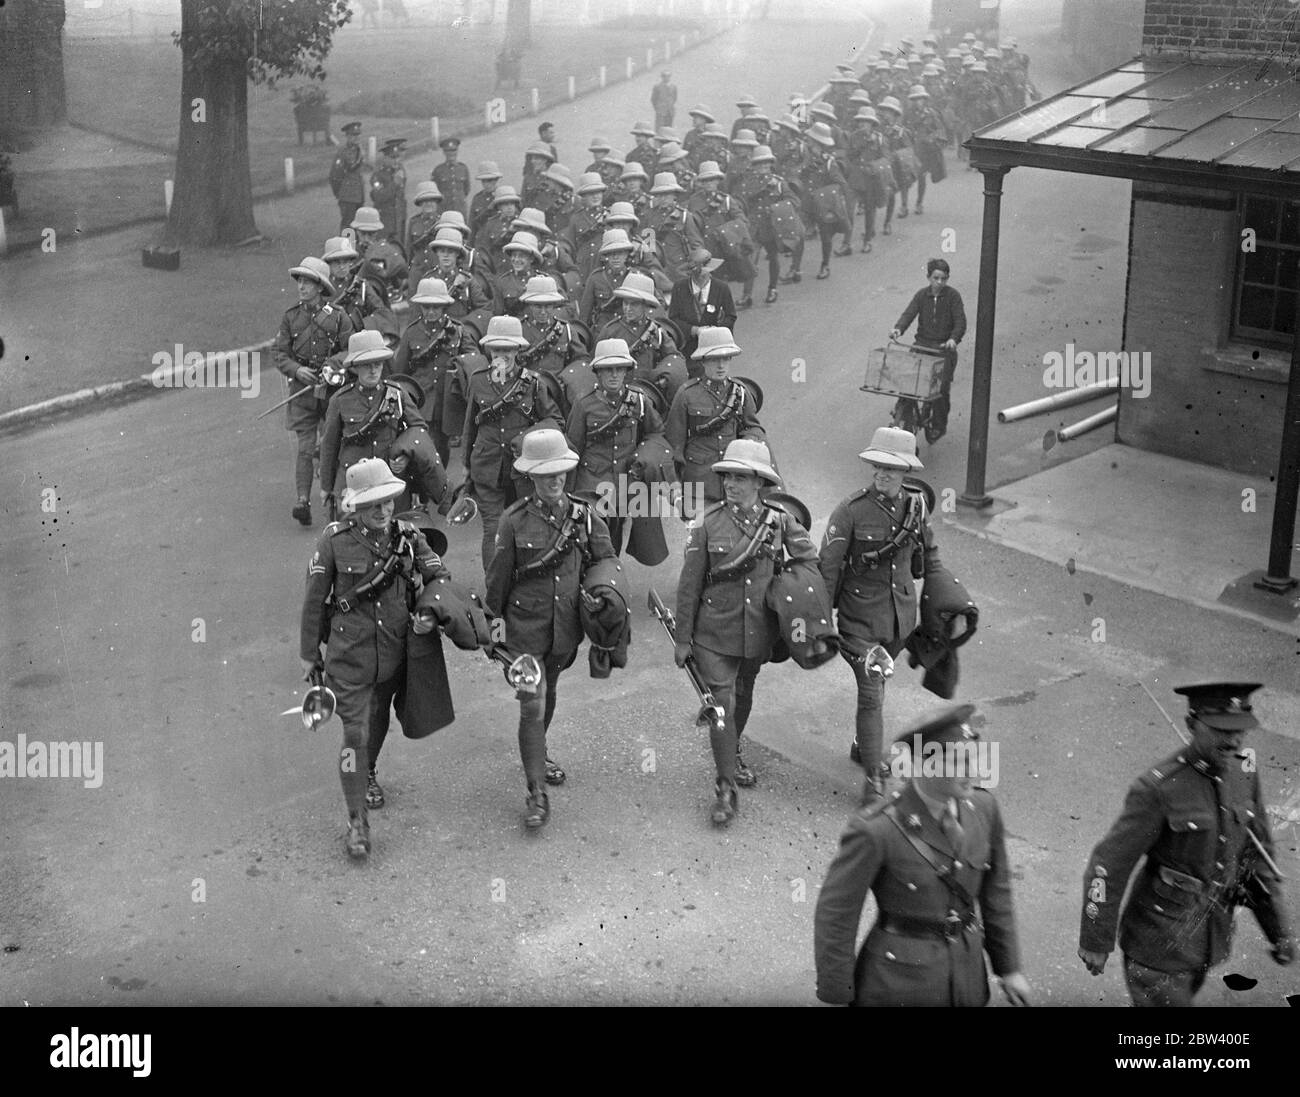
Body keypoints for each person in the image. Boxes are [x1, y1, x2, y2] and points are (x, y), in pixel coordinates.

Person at [1078, 683, 1295, 1006]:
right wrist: (1096, 939)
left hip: (1208, 938)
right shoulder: (1158, 788)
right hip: (1157, 946)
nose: (1233, 741)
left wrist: (1278, 930)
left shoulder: (1244, 774)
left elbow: (1257, 857)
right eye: (1221, 730)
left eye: (1240, 731)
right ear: (1192, 725)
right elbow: (1107, 865)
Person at [814, 704, 1033, 1006]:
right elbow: (837, 913)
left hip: (967, 977)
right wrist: (838, 990)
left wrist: (1009, 968)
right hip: (899, 984)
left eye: (975, 759)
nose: (975, 771)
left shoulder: (984, 809)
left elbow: (997, 893)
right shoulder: (877, 829)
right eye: (960, 762)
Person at [299, 458, 449, 858]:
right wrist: (308, 655)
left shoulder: (409, 536)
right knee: (355, 735)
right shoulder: (334, 542)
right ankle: (356, 822)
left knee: (378, 723)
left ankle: (366, 773)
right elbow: (314, 602)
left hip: (395, 652)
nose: (382, 511)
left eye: (386, 502)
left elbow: (439, 577)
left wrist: (428, 612)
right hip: (349, 658)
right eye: (372, 505)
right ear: (355, 507)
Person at [673, 439, 817, 821]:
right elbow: (688, 585)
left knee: (744, 693)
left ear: (759, 483)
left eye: (741, 477)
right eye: (727, 477)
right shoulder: (705, 523)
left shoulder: (781, 521)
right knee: (722, 704)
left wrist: (793, 597)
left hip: (757, 631)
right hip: (712, 634)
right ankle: (725, 787)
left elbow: (810, 563)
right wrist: (683, 638)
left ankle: (732, 750)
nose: (731, 484)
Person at [484, 430, 616, 828]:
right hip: (525, 629)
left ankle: (538, 754)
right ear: (530, 478)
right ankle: (536, 792)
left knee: (551, 692)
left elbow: (605, 560)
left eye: (559, 472)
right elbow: (497, 582)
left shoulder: (585, 515)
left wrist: (602, 595)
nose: (554, 480)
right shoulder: (513, 521)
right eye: (545, 475)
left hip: (565, 628)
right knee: (532, 703)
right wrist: (494, 633)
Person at [818, 427, 939, 792]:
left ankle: (862, 746)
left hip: (900, 620)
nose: (882, 474)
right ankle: (873, 779)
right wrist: (822, 624)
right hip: (859, 623)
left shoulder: (916, 507)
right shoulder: (850, 510)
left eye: (892, 468)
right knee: (871, 692)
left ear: (906, 472)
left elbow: (929, 557)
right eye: (878, 467)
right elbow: (827, 569)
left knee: (878, 684)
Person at [461, 315, 563, 571]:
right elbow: (470, 428)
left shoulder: (534, 383)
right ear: (488, 350)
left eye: (507, 350)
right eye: (497, 350)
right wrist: (467, 470)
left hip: (524, 468)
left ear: (518, 350)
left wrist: (524, 439)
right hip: (487, 466)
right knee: (492, 529)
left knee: (529, 526)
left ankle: (526, 580)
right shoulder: (477, 380)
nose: (502, 356)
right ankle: (494, 592)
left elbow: (554, 419)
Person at [272, 256, 354, 526]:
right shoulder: (290, 317)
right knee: (306, 448)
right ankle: (302, 501)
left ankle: (332, 495)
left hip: (332, 393)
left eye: (308, 281)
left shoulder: (339, 317)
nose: (302, 286)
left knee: (332, 445)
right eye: (300, 281)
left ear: (320, 287)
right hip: (303, 392)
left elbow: (349, 350)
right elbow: (279, 353)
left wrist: (332, 365)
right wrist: (296, 370)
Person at [565, 337, 666, 555]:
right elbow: (572, 448)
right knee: (591, 541)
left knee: (615, 539)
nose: (614, 374)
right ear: (598, 372)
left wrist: (644, 456)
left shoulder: (639, 401)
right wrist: (568, 494)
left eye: (619, 369)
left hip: (622, 482)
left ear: (626, 371)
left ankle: (608, 580)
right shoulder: (584, 404)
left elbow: (656, 433)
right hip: (591, 484)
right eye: (607, 369)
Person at [319, 329, 428, 515]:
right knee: (350, 535)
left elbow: (418, 428)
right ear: (355, 367)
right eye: (366, 365)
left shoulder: (396, 393)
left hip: (389, 479)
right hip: (352, 482)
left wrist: (406, 456)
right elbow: (329, 445)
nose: (373, 370)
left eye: (377, 364)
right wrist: (326, 487)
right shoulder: (340, 400)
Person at [664, 327, 765, 519]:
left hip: (734, 480)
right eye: (714, 359)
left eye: (726, 358)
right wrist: (674, 485)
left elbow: (754, 427)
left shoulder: (740, 392)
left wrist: (748, 441)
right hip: (699, 484)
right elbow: (673, 444)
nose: (721, 365)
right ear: (703, 361)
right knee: (699, 542)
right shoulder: (687, 394)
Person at [393, 277, 477, 467]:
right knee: (420, 445)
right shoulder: (411, 333)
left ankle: (437, 489)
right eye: (426, 307)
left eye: (436, 307)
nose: (431, 312)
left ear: (444, 307)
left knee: (440, 447)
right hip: (419, 400)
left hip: (446, 401)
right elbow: (400, 372)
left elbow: (474, 361)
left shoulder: (458, 331)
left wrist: (460, 367)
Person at [890, 259, 966, 442]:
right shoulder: (921, 296)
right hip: (922, 345)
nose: (939, 282)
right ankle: (902, 410)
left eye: (943, 278)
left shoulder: (953, 296)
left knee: (940, 390)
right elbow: (909, 313)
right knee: (908, 381)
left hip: (942, 350)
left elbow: (960, 322)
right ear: (928, 278)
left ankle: (938, 426)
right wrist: (898, 329)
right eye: (936, 278)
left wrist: (952, 339)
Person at [739, 144, 802, 301]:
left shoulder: (779, 183)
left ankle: (772, 289)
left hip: (771, 227)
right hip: (753, 227)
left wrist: (776, 209)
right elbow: (741, 202)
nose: (763, 167)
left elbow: (794, 201)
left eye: (766, 163)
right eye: (759, 164)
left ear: (770, 164)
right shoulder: (748, 183)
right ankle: (747, 295)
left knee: (773, 258)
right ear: (754, 166)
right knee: (750, 261)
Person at [800, 122, 849, 280]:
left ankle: (825, 265)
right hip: (806, 203)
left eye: (811, 140)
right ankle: (795, 268)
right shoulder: (804, 158)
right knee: (799, 233)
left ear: (818, 143)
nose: (808, 143)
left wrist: (826, 194)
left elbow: (841, 184)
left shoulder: (829, 163)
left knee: (826, 236)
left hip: (822, 205)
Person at [668, 248, 736, 361]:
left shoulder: (722, 288)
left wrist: (715, 331)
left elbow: (731, 316)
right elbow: (673, 318)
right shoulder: (680, 287)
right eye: (702, 272)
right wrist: (695, 330)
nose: (705, 275)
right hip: (688, 348)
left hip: (715, 346)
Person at [329, 121, 366, 234]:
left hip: (358, 195)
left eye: (358, 134)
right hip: (347, 195)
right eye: (353, 135)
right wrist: (340, 193)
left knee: (357, 225)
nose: (356, 137)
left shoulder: (358, 150)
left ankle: (355, 248)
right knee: (348, 225)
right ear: (348, 136)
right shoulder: (342, 152)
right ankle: (347, 249)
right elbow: (334, 176)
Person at [369, 138, 407, 245]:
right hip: (385, 219)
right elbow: (379, 196)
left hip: (399, 217)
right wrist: (394, 184)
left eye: (397, 157)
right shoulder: (378, 175)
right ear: (385, 158)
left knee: (399, 247)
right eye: (392, 158)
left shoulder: (400, 171)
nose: (396, 161)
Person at [431, 136, 472, 218]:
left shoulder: (463, 168)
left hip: (460, 209)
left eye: (454, 150)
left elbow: (466, 190)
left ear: (457, 151)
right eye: (448, 151)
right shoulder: (438, 170)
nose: (451, 153)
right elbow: (434, 192)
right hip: (444, 210)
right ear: (444, 152)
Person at [468, 160, 503, 238]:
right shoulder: (477, 199)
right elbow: (472, 225)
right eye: (484, 181)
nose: (486, 184)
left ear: (496, 179)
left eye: (490, 180)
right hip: (481, 241)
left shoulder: (504, 197)